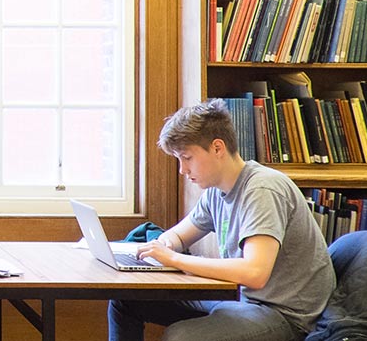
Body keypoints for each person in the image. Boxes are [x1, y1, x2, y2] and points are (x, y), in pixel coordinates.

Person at [108, 99, 336, 341]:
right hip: (239, 298)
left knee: (181, 337)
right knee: (127, 299)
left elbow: (254, 272)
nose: (182, 170)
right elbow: (177, 235)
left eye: (187, 158)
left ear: (218, 148)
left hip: (283, 314)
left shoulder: (262, 189)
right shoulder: (216, 192)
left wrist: (175, 258)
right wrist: (164, 246)